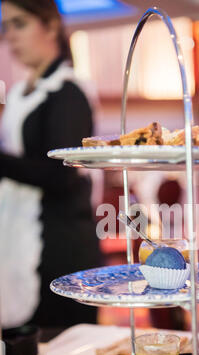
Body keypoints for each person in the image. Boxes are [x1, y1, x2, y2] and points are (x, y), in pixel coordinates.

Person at [0, 0, 103, 329]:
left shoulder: (68, 93)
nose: (11, 36)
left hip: (60, 245)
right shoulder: (20, 93)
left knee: (57, 349)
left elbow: (61, 175)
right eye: (6, 27)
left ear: (51, 26)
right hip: (24, 232)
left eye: (20, 24)